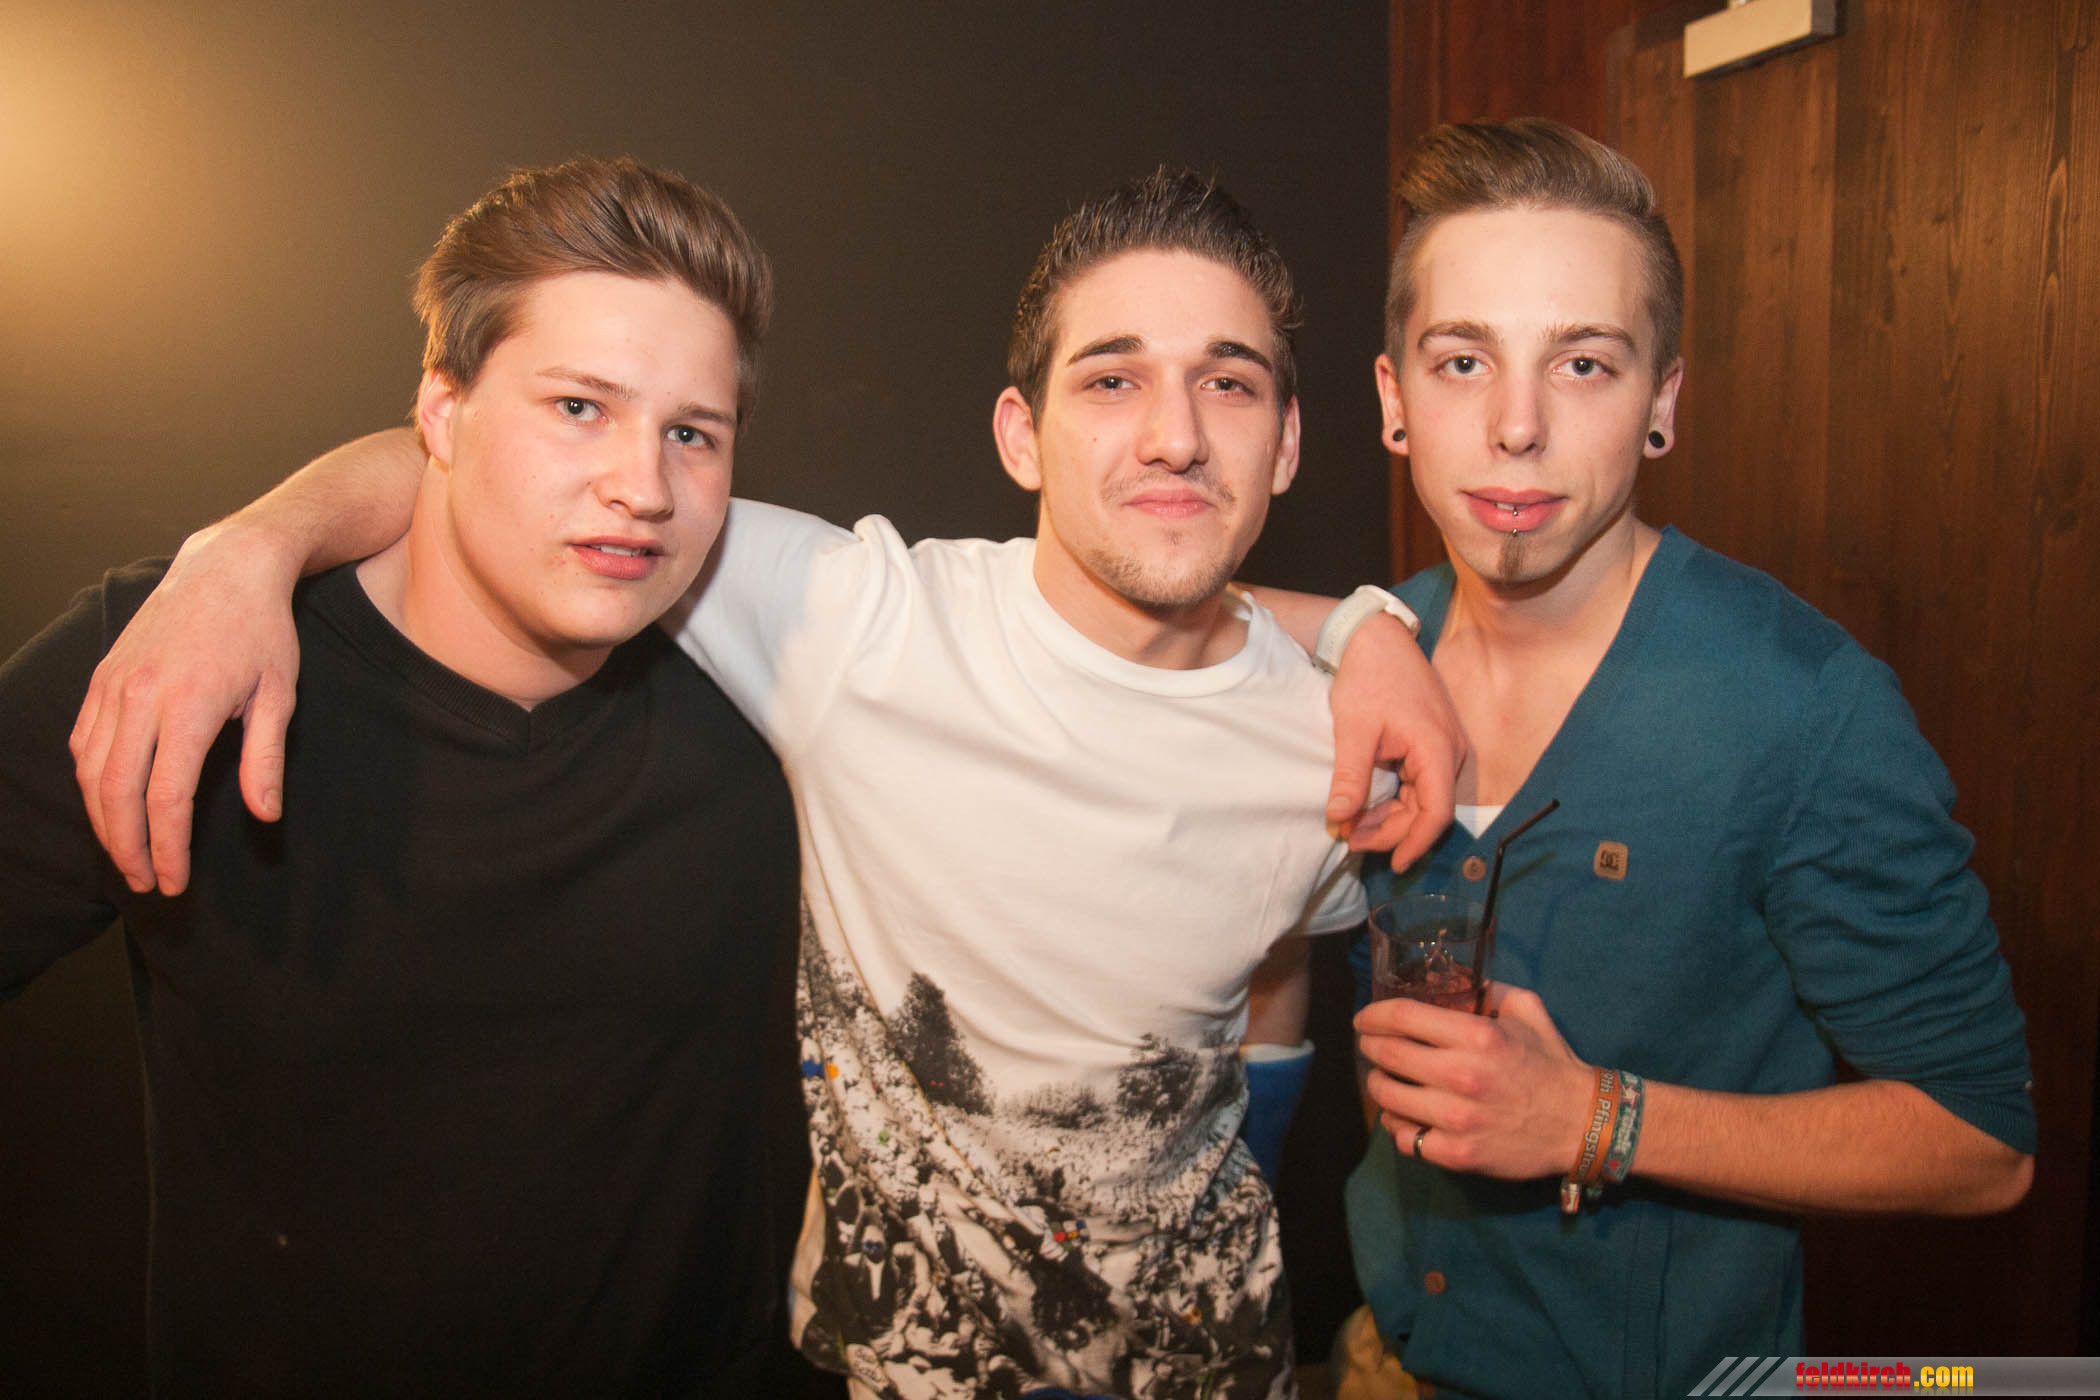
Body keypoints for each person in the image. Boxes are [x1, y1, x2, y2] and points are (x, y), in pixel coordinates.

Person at [60, 170, 1466, 1398]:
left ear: (1289, 439)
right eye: (1110, 379)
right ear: (1018, 433)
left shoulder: (1340, 740)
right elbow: (486, 469)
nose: (1174, 435)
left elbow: (1277, 959)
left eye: (1229, 382)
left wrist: (1369, 628)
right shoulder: (847, 620)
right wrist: (244, 550)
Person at [0, 157, 808, 1392]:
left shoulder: (777, 694)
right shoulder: (192, 655)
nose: (642, 487)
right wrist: (246, 551)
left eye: (690, 432)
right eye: (578, 407)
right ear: (441, 412)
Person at [1339, 118, 2035, 1400]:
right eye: (1462, 361)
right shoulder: (1371, 658)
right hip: (1385, 1358)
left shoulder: (1801, 706)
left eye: (1584, 364)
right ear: (1394, 399)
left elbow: (1982, 1143)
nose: (1515, 426)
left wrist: (1595, 1117)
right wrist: (1355, 628)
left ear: (1661, 403)